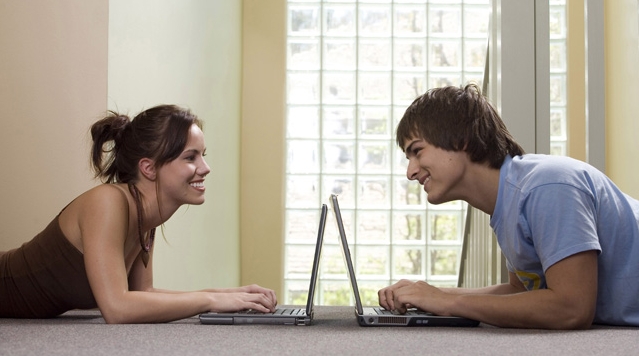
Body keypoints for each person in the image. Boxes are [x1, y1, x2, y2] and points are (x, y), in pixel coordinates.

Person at [378, 84, 639, 329]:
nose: (410, 172)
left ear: (461, 140)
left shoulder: (546, 187)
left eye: (417, 151)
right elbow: (522, 292)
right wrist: (427, 293)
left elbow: (572, 307)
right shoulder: (509, 200)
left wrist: (448, 302)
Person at [0, 105, 277, 323]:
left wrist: (232, 295)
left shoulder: (145, 218)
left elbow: (141, 295)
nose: (205, 168)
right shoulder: (107, 202)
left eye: (203, 155)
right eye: (190, 157)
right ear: (149, 168)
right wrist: (210, 302)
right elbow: (118, 307)